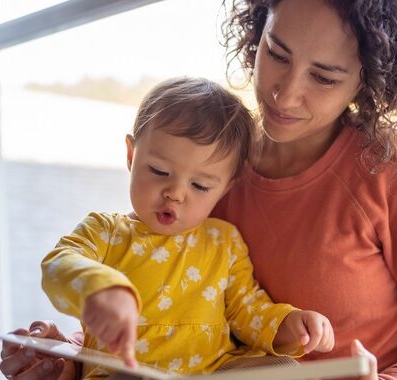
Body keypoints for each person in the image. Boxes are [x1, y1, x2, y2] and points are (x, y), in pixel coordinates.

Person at [0, 0, 397, 379]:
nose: (285, 92)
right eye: (276, 53)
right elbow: (166, 323)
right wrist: (65, 363)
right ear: (257, 30)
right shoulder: (206, 166)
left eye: (324, 76)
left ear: (366, 80)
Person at [27, 77, 335, 379]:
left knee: (283, 370)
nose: (175, 193)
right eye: (159, 171)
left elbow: (248, 311)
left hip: (213, 371)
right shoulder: (105, 231)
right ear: (131, 156)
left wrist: (289, 327)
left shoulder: (223, 241)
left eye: (200, 185)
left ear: (226, 188)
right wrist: (100, 288)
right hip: (125, 370)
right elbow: (57, 265)